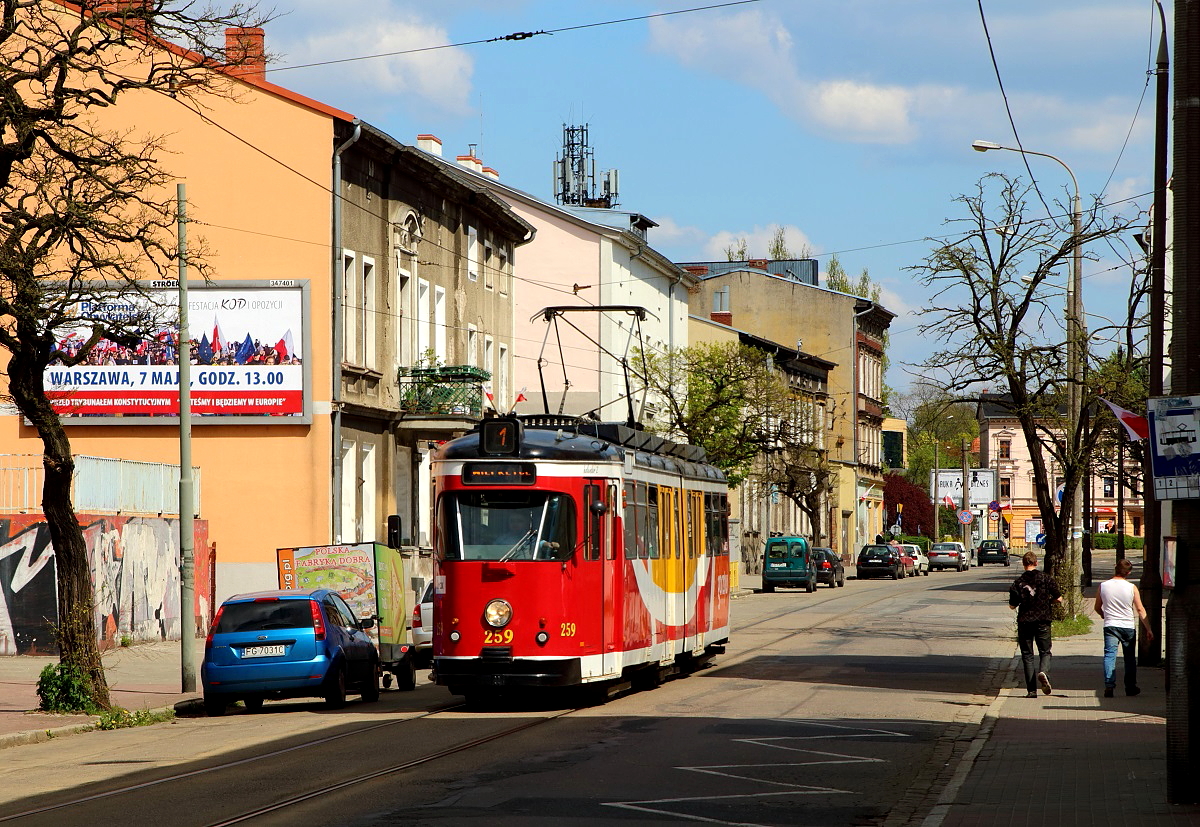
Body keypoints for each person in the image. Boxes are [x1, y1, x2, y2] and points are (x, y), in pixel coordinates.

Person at [1093, 559, 1153, 698]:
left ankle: (1109, 685)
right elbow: (1140, 609)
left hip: (1110, 625)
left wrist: (1104, 615)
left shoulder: (1103, 586)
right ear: (1129, 573)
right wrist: (1148, 628)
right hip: (1127, 627)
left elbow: (1097, 607)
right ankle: (1130, 687)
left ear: (1115, 568)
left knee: (1109, 655)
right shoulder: (1132, 588)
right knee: (1129, 658)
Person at [1008, 550, 1063, 698]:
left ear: (1023, 564)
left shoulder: (1018, 582)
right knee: (1045, 651)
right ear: (1036, 563)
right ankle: (1044, 671)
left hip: (1025, 621)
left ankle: (1031, 691)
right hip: (1043, 620)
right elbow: (1059, 598)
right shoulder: (1046, 579)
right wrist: (1048, 601)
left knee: (1027, 655)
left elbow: (1012, 605)